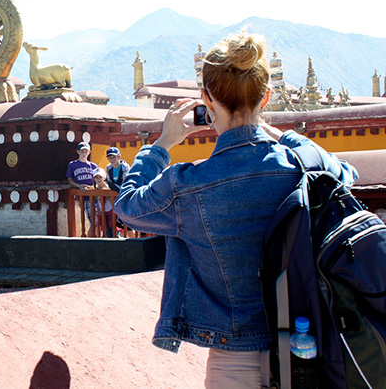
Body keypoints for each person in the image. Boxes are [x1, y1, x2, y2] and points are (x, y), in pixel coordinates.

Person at [114, 32, 358, 389]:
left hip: (233, 359)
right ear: (266, 96)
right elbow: (346, 176)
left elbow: (127, 207)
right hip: (308, 350)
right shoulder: (302, 166)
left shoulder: (188, 184)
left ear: (206, 100)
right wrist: (280, 135)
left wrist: (162, 143)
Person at [67, 142, 99, 236]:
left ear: (89, 152)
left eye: (86, 151)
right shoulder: (73, 165)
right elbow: (70, 180)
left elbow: (98, 180)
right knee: (93, 219)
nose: (84, 153)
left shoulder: (93, 166)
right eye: (82, 151)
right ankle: (91, 237)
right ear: (78, 152)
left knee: (97, 219)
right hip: (83, 196)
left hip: (94, 195)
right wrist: (79, 186)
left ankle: (95, 237)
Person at [105, 147, 130, 236]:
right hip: (114, 197)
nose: (112, 159)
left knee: (127, 221)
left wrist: (115, 188)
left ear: (119, 156)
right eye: (109, 157)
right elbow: (109, 182)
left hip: (124, 196)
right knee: (114, 219)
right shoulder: (108, 168)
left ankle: (133, 241)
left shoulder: (125, 167)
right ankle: (117, 237)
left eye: (114, 157)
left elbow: (125, 183)